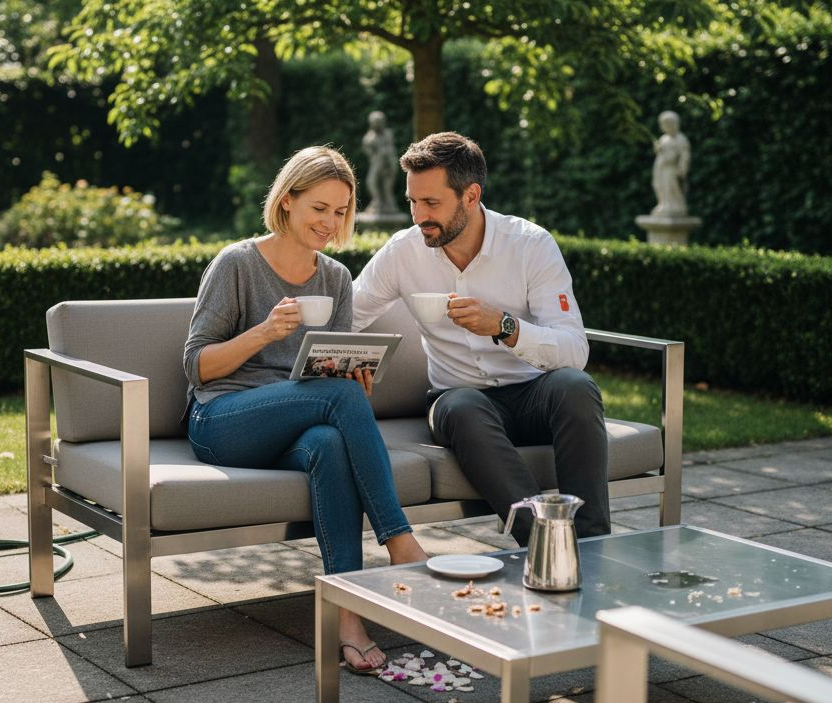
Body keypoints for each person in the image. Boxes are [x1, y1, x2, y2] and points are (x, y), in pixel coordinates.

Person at [183, 146, 427, 674]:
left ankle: (348, 618)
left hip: (298, 423)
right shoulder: (238, 264)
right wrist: (265, 332)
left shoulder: (335, 278)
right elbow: (197, 367)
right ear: (288, 201)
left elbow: (330, 387)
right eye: (319, 208)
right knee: (334, 406)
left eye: (340, 212)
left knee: (329, 443)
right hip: (222, 419)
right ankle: (400, 540)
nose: (330, 222)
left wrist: (353, 375)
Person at [351, 132, 609, 546]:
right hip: (455, 400)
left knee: (575, 387)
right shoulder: (403, 252)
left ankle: (596, 544)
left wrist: (505, 328)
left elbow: (574, 350)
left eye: (431, 203)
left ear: (471, 196)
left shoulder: (530, 245)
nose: (419, 216)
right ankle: (546, 546)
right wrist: (345, 362)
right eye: (412, 202)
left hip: (531, 395)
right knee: (464, 405)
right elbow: (349, 315)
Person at [651, 111, 691, 216]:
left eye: (668, 124)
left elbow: (684, 155)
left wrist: (682, 168)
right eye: (663, 124)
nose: (665, 127)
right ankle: (663, 204)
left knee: (671, 186)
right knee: (659, 185)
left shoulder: (680, 138)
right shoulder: (663, 138)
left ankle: (675, 205)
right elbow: (659, 152)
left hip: (671, 168)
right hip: (660, 167)